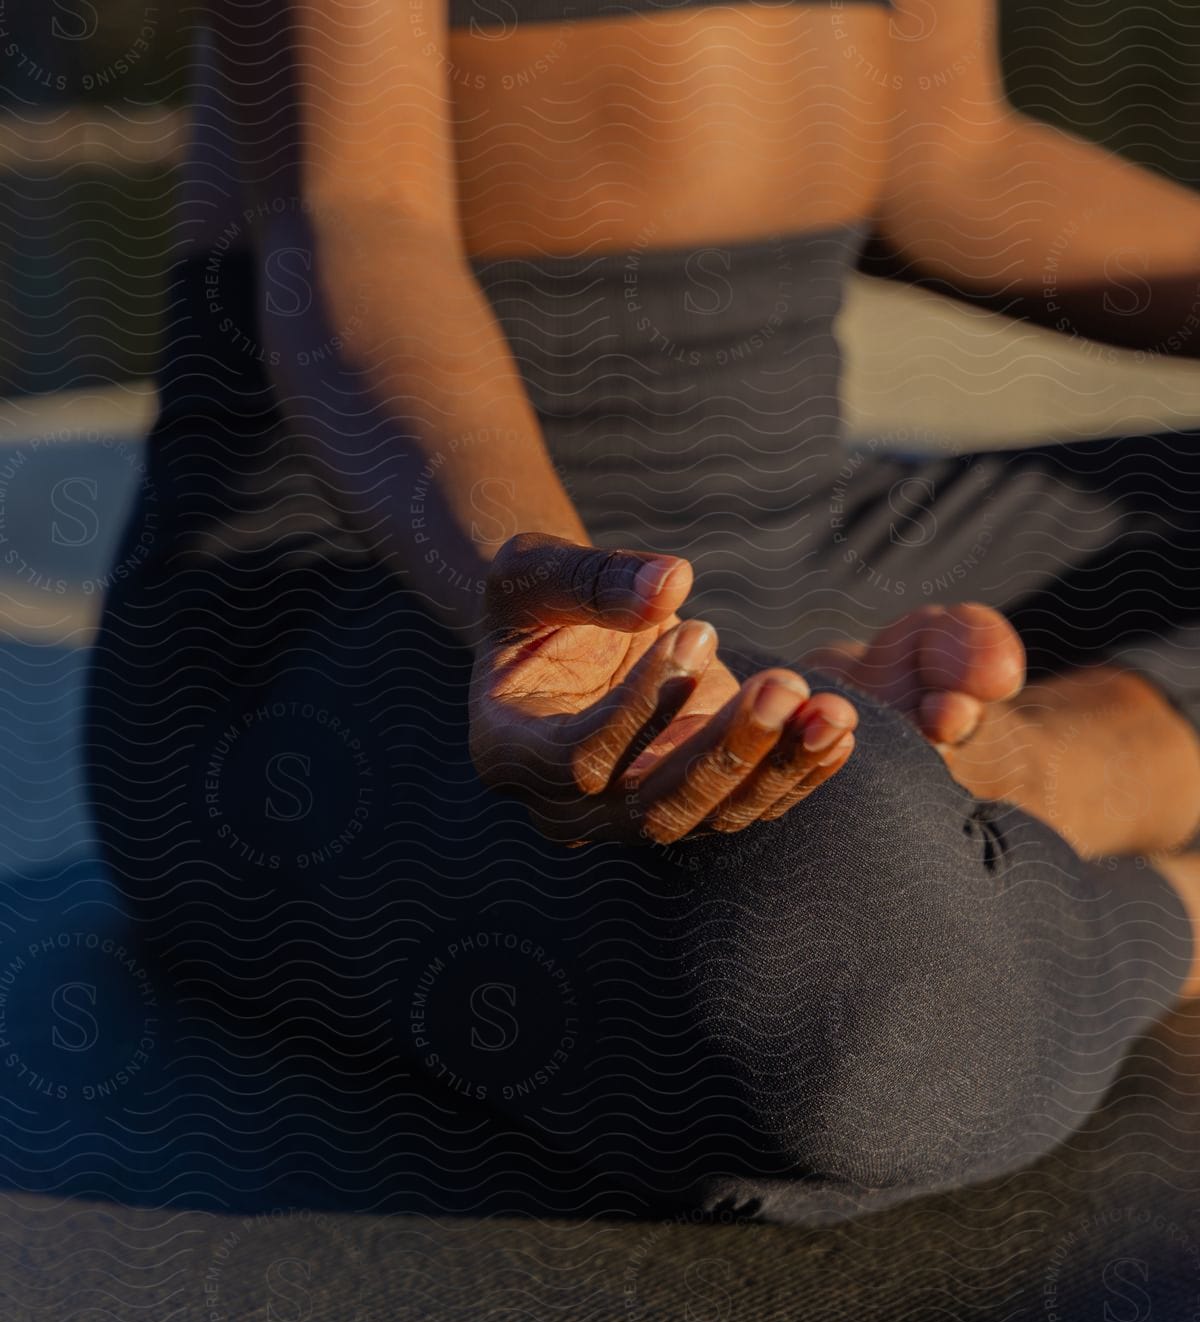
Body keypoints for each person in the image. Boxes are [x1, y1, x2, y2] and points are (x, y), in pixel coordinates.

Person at [83, 0, 1200, 1215]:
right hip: (389, 593)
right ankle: (1156, 891)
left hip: (804, 544)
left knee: (832, 783)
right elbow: (357, 224)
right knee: (848, 1010)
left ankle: (1077, 766)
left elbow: (951, 160)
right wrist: (534, 599)